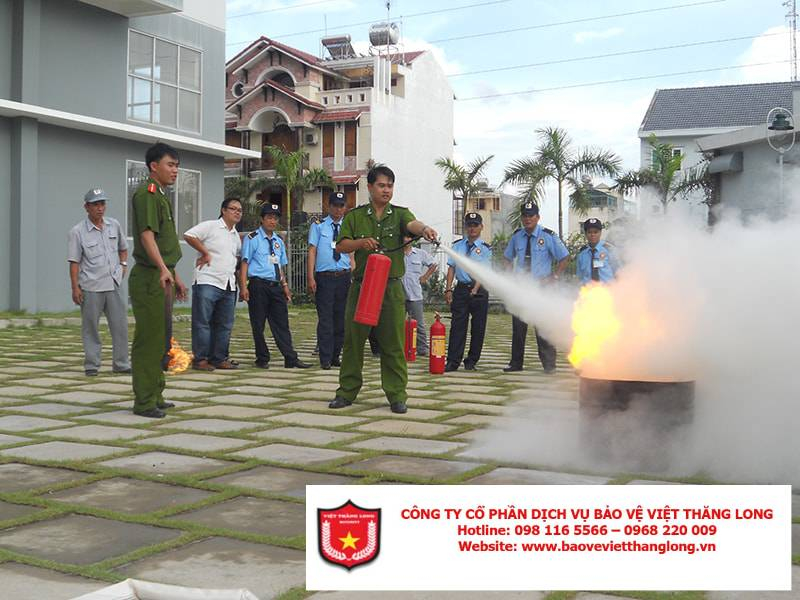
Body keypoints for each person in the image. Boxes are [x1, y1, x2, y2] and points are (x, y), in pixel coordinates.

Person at [328, 165, 439, 414]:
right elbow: (341, 246)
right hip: (363, 287)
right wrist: (361, 243)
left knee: (394, 344)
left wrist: (424, 230)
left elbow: (413, 224)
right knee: (353, 342)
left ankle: (397, 395)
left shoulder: (399, 214)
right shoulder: (356, 216)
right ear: (370, 187)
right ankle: (346, 392)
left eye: (390, 186)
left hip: (390, 289)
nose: (386, 190)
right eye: (381, 185)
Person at [129, 142, 187, 418]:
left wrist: (174, 274)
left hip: (162, 274)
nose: (175, 170)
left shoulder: (160, 195)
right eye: (170, 165)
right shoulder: (147, 194)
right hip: (150, 276)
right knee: (149, 340)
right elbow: (147, 236)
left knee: (162, 338)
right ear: (154, 166)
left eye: (177, 166)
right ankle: (144, 401)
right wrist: (164, 269)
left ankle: (156, 393)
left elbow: (163, 243)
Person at [67, 188, 131, 377]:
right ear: (86, 207)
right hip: (91, 286)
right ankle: (92, 364)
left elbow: (123, 248)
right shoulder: (77, 232)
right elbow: (74, 262)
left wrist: (123, 266)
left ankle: (121, 363)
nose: (100, 208)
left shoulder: (114, 225)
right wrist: (75, 287)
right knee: (91, 327)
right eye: (95, 204)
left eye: (102, 204)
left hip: (114, 284)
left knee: (120, 326)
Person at [240, 203, 310, 370]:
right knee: (258, 323)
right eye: (269, 217)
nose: (272, 221)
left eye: (275, 218)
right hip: (258, 285)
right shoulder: (252, 238)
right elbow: (244, 263)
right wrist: (243, 287)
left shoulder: (278, 241)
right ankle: (262, 357)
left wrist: (284, 285)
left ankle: (290, 357)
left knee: (281, 323)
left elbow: (279, 265)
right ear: (262, 219)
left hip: (275, 286)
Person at [503, 201, 569, 374]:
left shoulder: (548, 236)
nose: (527, 219)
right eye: (525, 216)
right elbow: (507, 258)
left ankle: (549, 365)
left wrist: (554, 276)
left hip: (541, 289)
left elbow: (564, 257)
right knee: (518, 328)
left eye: (531, 216)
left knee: (543, 327)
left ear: (538, 217)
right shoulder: (517, 236)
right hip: (521, 289)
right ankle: (516, 363)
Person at [183, 198, 243, 371]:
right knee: (203, 322)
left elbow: (236, 260)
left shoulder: (235, 236)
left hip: (228, 285)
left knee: (224, 325)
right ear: (223, 210)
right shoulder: (211, 226)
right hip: (208, 280)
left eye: (240, 210)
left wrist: (241, 285)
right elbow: (189, 235)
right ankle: (201, 359)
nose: (237, 212)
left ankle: (219, 358)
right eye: (233, 208)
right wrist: (205, 252)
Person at [308, 192, 352, 369]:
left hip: (343, 276)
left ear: (345, 208)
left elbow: (351, 252)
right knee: (326, 319)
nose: (338, 209)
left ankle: (335, 355)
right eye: (335, 205)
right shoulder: (318, 226)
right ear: (329, 206)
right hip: (325, 277)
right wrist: (310, 276)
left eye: (341, 206)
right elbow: (312, 250)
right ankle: (325, 357)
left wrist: (353, 273)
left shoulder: (348, 226)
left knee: (341, 319)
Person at [444, 212, 491, 372]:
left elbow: (484, 272)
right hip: (462, 289)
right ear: (465, 227)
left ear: (481, 227)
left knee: (478, 327)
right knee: (457, 326)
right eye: (469, 225)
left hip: (479, 290)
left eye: (475, 225)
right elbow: (451, 268)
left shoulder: (485, 249)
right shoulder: (457, 246)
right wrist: (448, 289)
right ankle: (453, 361)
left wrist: (475, 289)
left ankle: (471, 361)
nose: (472, 228)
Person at [401, 233, 437, 357]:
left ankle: (422, 348)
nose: (407, 239)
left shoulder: (420, 254)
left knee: (419, 324)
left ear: (413, 240)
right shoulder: (396, 254)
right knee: (397, 323)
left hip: (415, 294)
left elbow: (433, 264)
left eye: (409, 237)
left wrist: (425, 277)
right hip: (398, 295)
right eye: (405, 237)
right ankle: (399, 347)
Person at [575, 218, 619, 284]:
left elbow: (618, 272)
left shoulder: (609, 250)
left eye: (595, 232)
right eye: (589, 232)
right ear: (585, 233)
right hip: (588, 289)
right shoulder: (582, 253)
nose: (592, 235)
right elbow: (580, 276)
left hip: (607, 288)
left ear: (600, 233)